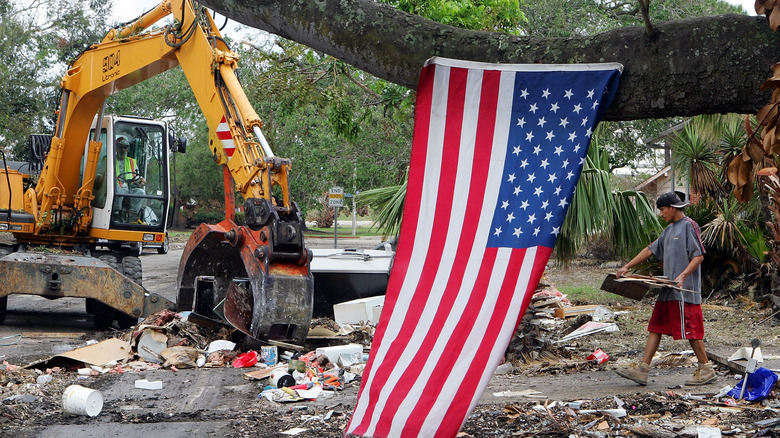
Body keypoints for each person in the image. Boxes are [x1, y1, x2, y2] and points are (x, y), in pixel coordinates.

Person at [614, 191, 715, 386]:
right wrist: (627, 266)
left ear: (672, 207)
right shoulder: (668, 231)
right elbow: (649, 249)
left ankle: (706, 368)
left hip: (684, 291)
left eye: (662, 209)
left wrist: (683, 275)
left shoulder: (689, 226)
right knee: (656, 326)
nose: (661, 213)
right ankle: (643, 369)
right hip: (668, 288)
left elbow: (699, 256)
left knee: (690, 330)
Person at [113, 136, 146, 222]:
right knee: (119, 189)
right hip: (113, 189)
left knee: (141, 192)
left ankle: (133, 214)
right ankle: (115, 214)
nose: (123, 150)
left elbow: (137, 177)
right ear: (116, 148)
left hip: (129, 190)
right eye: (120, 147)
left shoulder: (131, 162)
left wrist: (141, 181)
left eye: (125, 147)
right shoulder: (110, 160)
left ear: (127, 149)